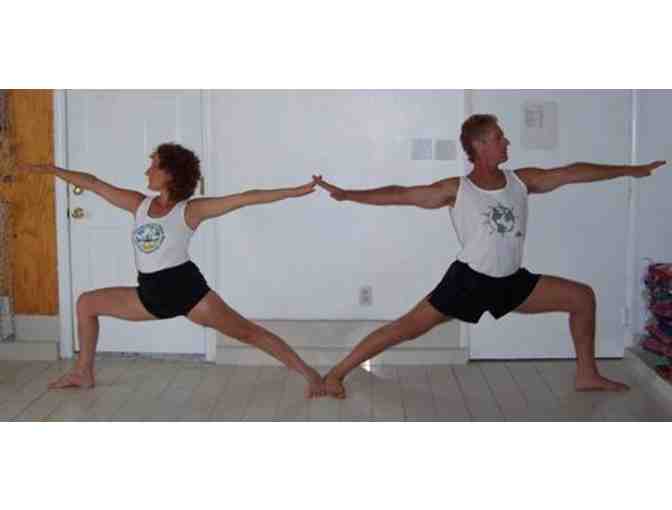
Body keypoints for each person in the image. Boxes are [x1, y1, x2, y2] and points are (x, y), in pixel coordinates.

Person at [313, 113, 667, 399]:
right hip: (468, 281)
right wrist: (348, 194)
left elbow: (572, 172)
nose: (506, 142)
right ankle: (335, 375)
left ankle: (587, 375)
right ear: (480, 145)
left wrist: (628, 170)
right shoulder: (457, 189)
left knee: (581, 298)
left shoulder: (521, 181)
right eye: (499, 137)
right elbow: (400, 194)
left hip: (511, 282)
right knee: (405, 329)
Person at [19, 143, 326, 398]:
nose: (147, 171)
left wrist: (294, 191)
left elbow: (245, 198)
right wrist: (53, 170)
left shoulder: (189, 210)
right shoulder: (138, 204)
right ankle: (83, 373)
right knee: (87, 304)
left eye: (153, 165)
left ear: (170, 173)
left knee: (249, 333)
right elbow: (94, 183)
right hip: (150, 294)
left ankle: (311, 375)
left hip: (187, 291)